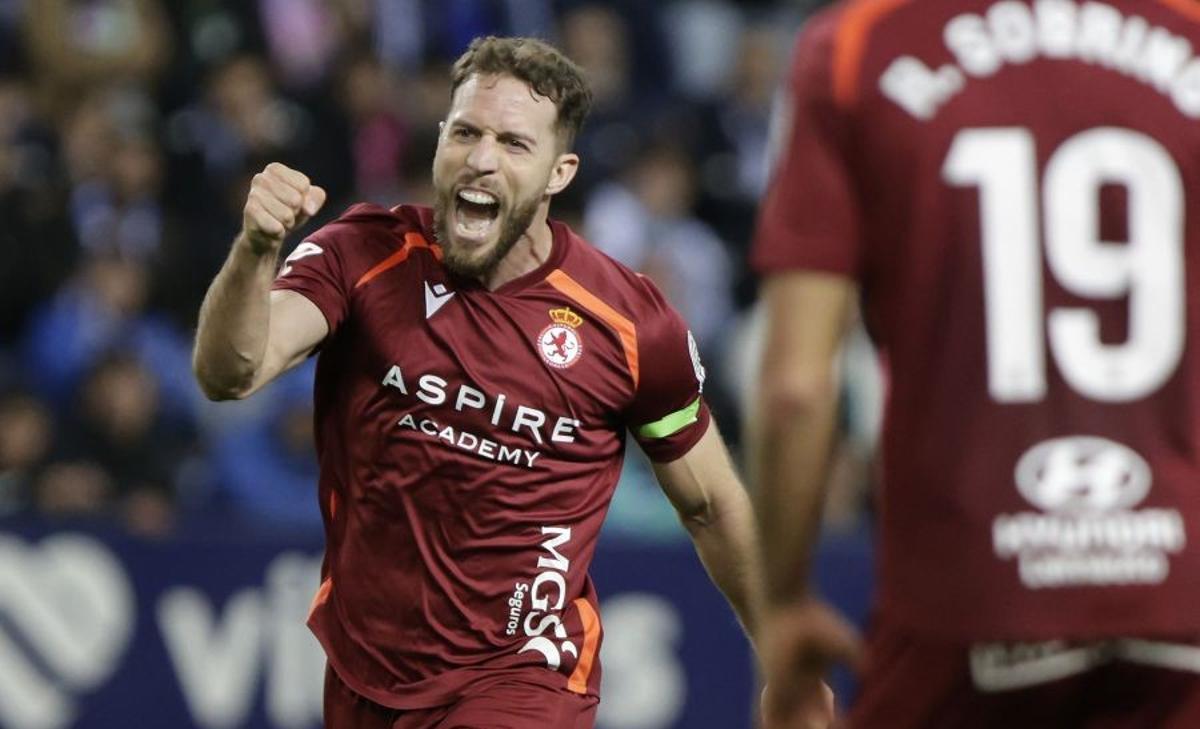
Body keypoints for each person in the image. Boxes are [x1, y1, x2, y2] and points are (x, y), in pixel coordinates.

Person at [192, 36, 783, 729]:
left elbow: (711, 501)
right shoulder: (364, 254)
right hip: (365, 671)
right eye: (466, 132)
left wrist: (785, 657)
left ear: (559, 172)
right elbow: (229, 371)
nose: (481, 159)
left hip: (524, 675)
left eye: (513, 143)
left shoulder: (628, 325)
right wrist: (255, 249)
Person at [750, 1, 1200, 727]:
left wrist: (783, 601)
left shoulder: (856, 49)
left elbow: (795, 387)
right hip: (1181, 584)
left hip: (965, 599)